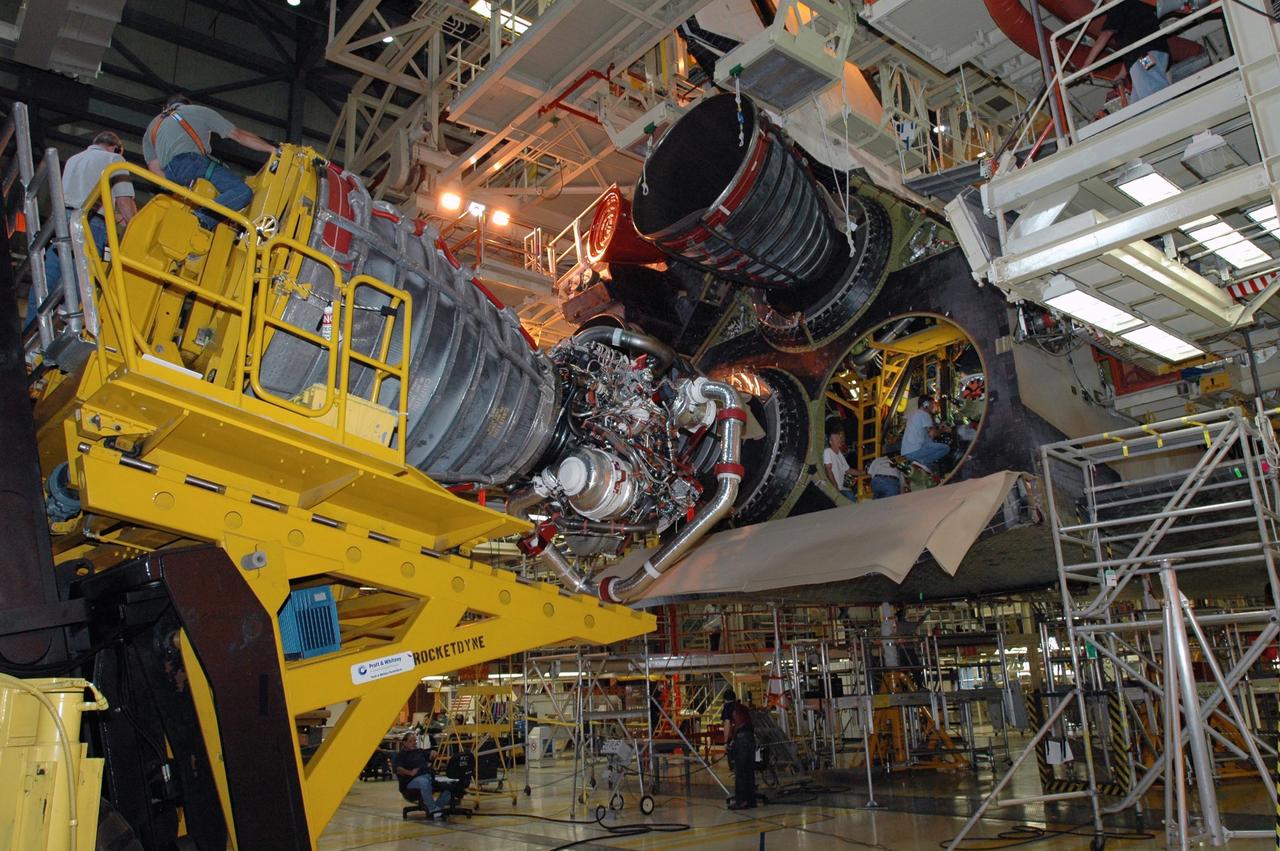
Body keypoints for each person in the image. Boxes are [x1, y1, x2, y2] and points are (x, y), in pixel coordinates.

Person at [30, 131, 137, 325]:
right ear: (117, 148)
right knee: (83, 278)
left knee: (48, 278)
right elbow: (124, 201)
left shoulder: (74, 159)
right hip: (90, 223)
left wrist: (115, 217)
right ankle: (69, 317)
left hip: (61, 221)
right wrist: (136, 229)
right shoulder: (115, 159)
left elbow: (80, 196)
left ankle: (32, 326)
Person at [142, 95, 276, 228]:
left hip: (171, 174)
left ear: (166, 107)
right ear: (187, 104)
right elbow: (237, 135)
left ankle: (200, 218)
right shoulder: (197, 111)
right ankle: (200, 219)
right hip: (194, 164)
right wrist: (272, 149)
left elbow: (154, 167)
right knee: (241, 191)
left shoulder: (152, 127)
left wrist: (178, 189)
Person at [1084, 0, 1171, 103]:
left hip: (1144, 55)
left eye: (1104, 3)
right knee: (1139, 99)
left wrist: (1086, 65)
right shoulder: (1132, 6)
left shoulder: (1117, 4)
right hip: (1150, 52)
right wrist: (1122, 73)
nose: (1105, 5)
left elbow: (1106, 34)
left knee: (1154, 88)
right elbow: (1133, 42)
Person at [393, 732, 451, 818]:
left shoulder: (419, 751)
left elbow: (430, 755)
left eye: (415, 741)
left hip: (428, 776)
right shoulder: (401, 755)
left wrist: (433, 753)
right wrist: (409, 772)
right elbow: (398, 769)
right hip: (411, 781)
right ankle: (432, 809)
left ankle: (437, 807)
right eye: (411, 741)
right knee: (424, 782)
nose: (414, 743)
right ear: (404, 742)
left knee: (449, 787)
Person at [900, 397, 951, 470]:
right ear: (926, 404)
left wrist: (938, 427)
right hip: (915, 451)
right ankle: (922, 462)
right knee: (945, 448)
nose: (933, 406)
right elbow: (932, 434)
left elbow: (924, 428)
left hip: (906, 452)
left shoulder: (913, 413)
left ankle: (923, 466)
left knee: (928, 441)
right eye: (932, 404)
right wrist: (944, 430)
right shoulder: (925, 414)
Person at [725, 691, 756, 809]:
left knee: (740, 771)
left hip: (741, 740)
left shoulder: (728, 707)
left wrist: (726, 742)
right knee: (749, 770)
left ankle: (741, 801)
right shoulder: (743, 707)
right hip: (750, 739)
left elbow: (727, 724)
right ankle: (751, 800)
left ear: (725, 700)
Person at [823, 427, 855, 501]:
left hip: (840, 488)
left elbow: (848, 470)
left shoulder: (839, 454)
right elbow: (828, 470)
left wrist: (864, 472)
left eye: (839, 438)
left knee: (851, 495)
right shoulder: (827, 451)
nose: (839, 440)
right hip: (833, 488)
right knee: (850, 497)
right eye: (836, 438)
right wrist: (835, 486)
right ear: (830, 441)